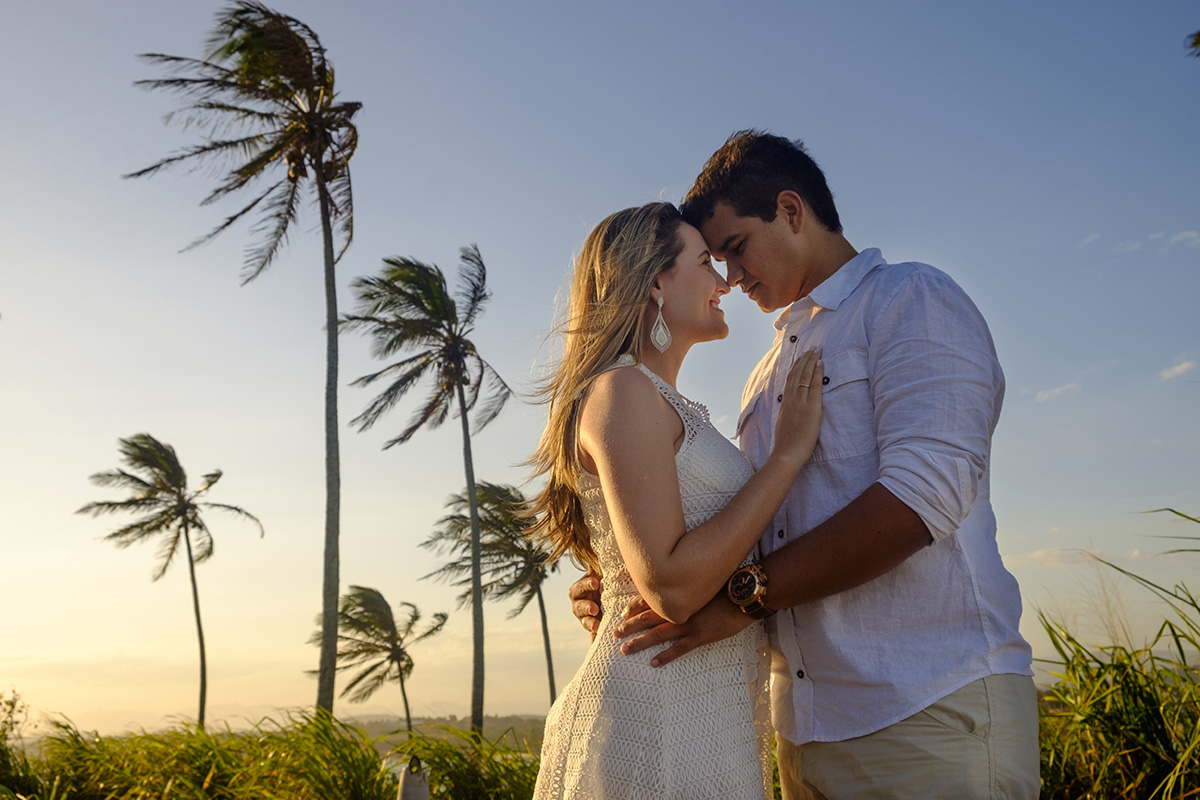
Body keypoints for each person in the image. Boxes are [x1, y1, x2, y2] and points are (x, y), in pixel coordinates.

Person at [572, 131, 1039, 800]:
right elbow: (755, 531)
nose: (730, 278)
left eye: (733, 249)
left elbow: (925, 495)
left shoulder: (909, 300)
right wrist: (627, 579)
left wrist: (744, 597)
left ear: (791, 211)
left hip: (929, 708)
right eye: (714, 260)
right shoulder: (764, 378)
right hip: (804, 733)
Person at [526, 201, 824, 799]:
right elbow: (671, 584)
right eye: (706, 263)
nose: (725, 283)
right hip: (655, 712)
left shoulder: (662, 400)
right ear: (657, 280)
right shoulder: (623, 390)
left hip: (705, 710)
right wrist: (788, 455)